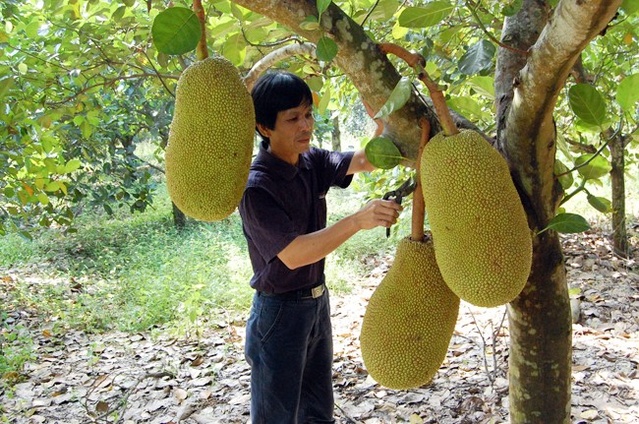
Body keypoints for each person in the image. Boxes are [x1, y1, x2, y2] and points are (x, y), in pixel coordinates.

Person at [238, 71, 402, 424]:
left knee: (317, 412)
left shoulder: (310, 161)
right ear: (265, 128)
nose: (306, 126)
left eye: (308, 114)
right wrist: (358, 220)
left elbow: (366, 160)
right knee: (275, 418)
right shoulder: (257, 188)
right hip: (279, 313)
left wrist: (383, 120)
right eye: (293, 118)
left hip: (315, 304)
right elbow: (295, 254)